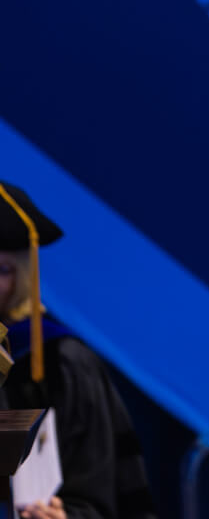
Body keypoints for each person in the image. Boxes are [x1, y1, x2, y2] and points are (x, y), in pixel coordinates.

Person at [0, 182, 156, 519]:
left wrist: (67, 515)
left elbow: (97, 491)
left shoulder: (56, 360)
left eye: (1, 270)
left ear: (23, 275)